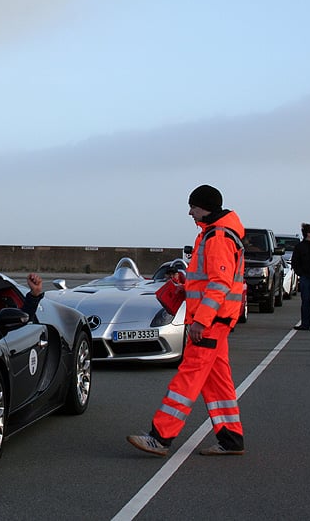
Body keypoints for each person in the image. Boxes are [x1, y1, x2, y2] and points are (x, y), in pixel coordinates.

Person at [127, 184, 247, 456]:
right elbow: (212, 281)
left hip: (210, 322)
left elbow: (219, 283)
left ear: (205, 207)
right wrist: (186, 286)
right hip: (219, 320)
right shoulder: (219, 233)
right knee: (217, 382)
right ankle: (231, 439)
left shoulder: (217, 236)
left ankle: (160, 437)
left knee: (188, 379)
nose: (190, 212)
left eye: (193, 206)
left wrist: (200, 321)